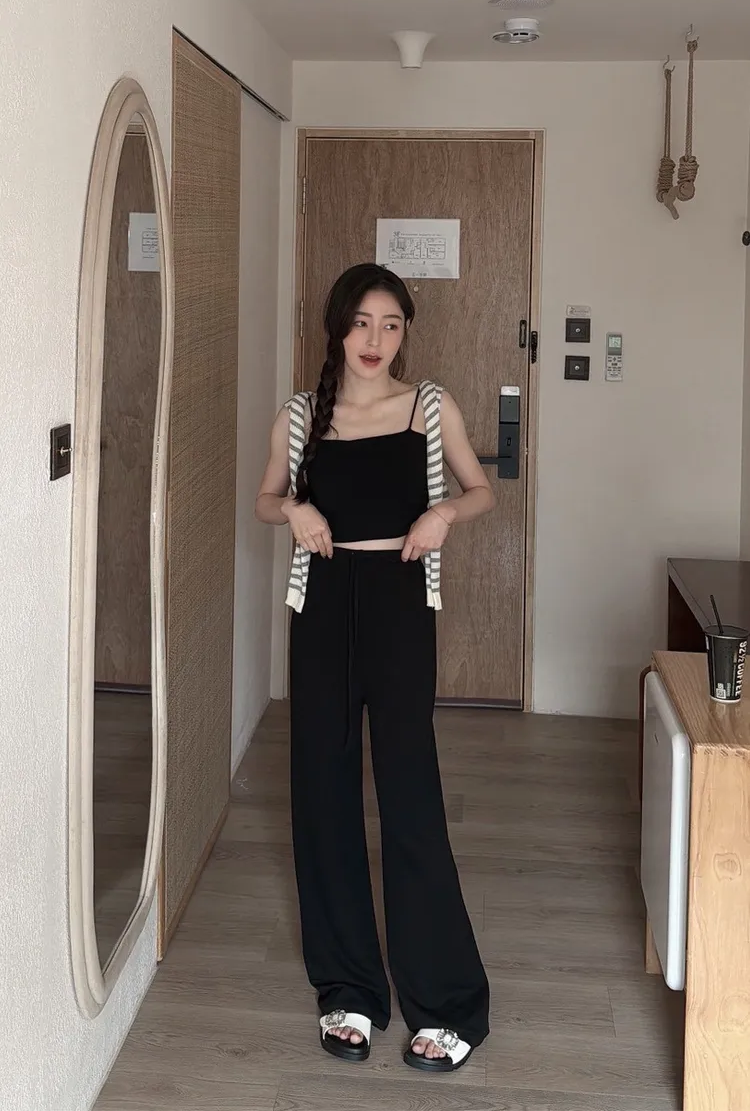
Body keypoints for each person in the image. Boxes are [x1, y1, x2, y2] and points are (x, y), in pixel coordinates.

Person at [255, 262, 494, 1074]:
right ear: (337, 326)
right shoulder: (301, 415)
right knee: (322, 791)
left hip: (398, 599)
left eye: (391, 324)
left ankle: (447, 1001)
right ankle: (349, 989)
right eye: (361, 322)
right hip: (322, 603)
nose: (375, 339)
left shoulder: (428, 405)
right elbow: (264, 500)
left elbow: (481, 489)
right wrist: (295, 508)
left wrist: (443, 512)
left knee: (409, 788)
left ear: (404, 333)